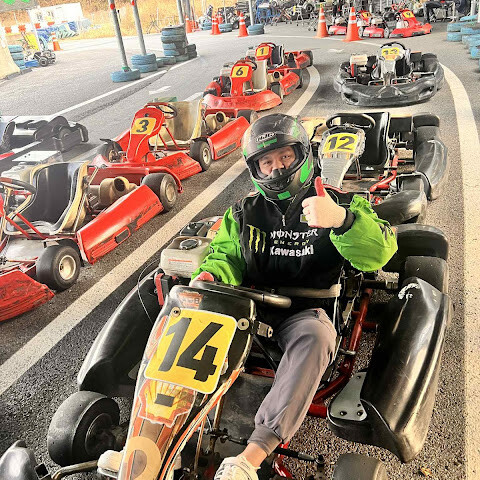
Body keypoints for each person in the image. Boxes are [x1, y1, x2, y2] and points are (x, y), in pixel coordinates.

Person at [191, 114, 398, 480]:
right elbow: (224, 256)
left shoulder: (338, 202)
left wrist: (342, 221)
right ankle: (163, 428)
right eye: (266, 162)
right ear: (255, 169)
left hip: (308, 312)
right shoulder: (243, 213)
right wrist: (210, 276)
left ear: (302, 155)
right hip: (248, 309)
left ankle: (248, 460)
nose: (276, 169)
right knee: (187, 308)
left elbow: (379, 253)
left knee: (314, 337)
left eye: (284, 157)